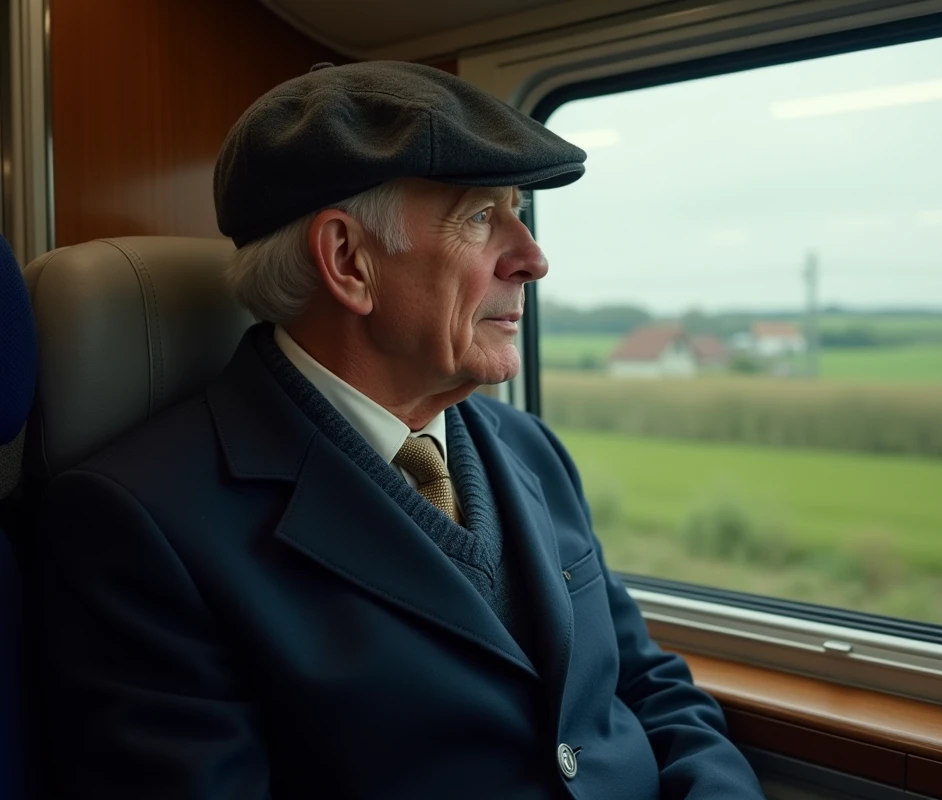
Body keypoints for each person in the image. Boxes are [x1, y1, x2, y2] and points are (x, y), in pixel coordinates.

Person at [37, 61, 766, 799]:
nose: (533, 259)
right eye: (480, 217)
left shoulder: (530, 447)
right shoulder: (137, 525)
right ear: (348, 261)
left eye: (517, 213)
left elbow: (646, 686)